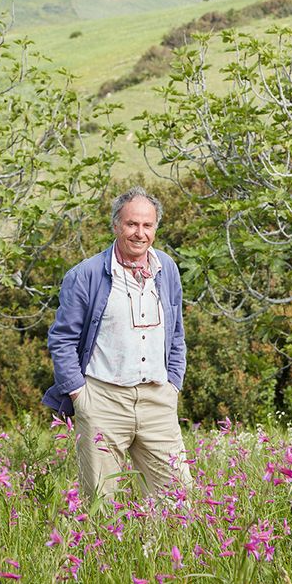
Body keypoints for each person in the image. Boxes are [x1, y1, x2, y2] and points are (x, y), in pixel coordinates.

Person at [42, 186, 193, 500]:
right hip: (102, 399)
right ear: (115, 225)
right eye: (131, 224)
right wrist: (81, 397)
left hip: (157, 401)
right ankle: (102, 552)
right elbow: (62, 340)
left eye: (147, 225)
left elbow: (176, 333)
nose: (140, 233)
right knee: (100, 501)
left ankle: (161, 551)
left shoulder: (168, 270)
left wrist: (173, 385)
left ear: (155, 228)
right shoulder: (86, 275)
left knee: (178, 499)